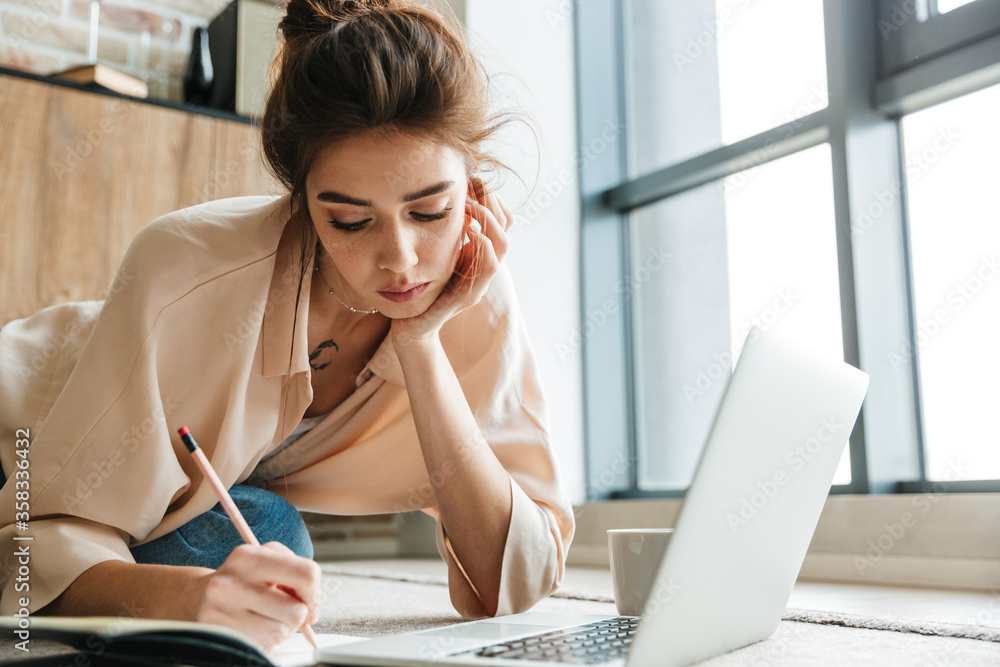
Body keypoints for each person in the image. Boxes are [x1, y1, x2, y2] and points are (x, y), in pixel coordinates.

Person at [0, 0, 574, 652]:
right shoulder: (185, 263)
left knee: (268, 542)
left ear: (474, 191)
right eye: (351, 222)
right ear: (299, 200)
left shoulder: (473, 292)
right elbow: (35, 543)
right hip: (18, 450)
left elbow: (516, 578)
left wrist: (419, 338)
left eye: (430, 211)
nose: (401, 259)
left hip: (187, 505)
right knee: (249, 552)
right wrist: (190, 599)